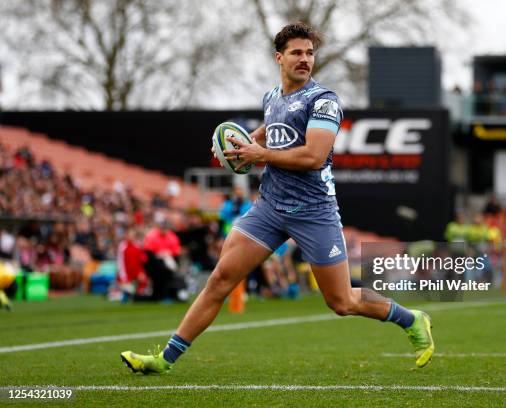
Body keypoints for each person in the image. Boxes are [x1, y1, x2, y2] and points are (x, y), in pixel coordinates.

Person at [121, 22, 434, 374]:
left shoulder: (324, 101)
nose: (305, 59)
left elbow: (313, 156)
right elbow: (270, 133)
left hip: (314, 211)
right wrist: (237, 145)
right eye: (297, 53)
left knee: (342, 301)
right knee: (220, 279)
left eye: (310, 53)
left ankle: (411, 319)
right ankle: (165, 359)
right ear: (279, 57)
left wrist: (259, 155)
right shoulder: (272, 98)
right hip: (269, 208)